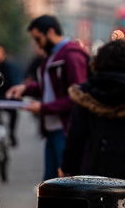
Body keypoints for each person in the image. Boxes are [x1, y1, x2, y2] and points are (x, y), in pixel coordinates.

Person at [60, 38, 125, 205]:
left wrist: (68, 170)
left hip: (92, 178)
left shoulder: (86, 93)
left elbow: (75, 138)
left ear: (99, 61)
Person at [6, 15, 89, 180]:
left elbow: (78, 96)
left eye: (38, 38)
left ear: (50, 32)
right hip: (53, 129)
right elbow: (51, 87)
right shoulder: (53, 55)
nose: (37, 43)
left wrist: (43, 108)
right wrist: (26, 89)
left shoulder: (71, 55)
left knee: (66, 183)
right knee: (51, 184)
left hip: (66, 130)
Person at [0, 44, 22, 146]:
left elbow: (15, 82)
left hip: (6, 97)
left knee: (13, 113)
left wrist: (14, 94)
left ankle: (12, 133)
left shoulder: (10, 67)